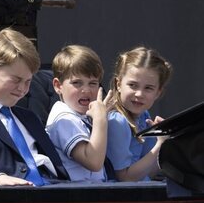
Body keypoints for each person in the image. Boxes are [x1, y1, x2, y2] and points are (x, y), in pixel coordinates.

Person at [0, 27, 69, 187]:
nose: (22, 88)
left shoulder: (29, 118)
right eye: (16, 79)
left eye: (28, 81)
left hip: (54, 193)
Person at [46, 45, 112, 182]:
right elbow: (93, 162)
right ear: (58, 86)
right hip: (77, 196)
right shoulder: (64, 119)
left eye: (93, 83)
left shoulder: (81, 115)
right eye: (77, 83)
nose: (86, 90)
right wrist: (100, 120)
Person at [107, 46, 172, 181]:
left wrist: (164, 143)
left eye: (148, 88)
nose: (139, 94)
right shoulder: (116, 121)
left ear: (158, 92)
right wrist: (159, 145)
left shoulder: (143, 115)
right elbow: (124, 179)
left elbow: (147, 173)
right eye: (133, 85)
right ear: (118, 84)